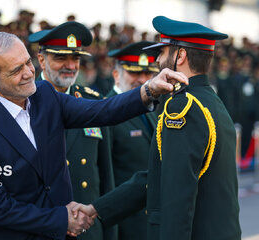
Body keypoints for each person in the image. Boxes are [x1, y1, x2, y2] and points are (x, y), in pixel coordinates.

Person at [0, 31, 188, 240]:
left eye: (28, 63)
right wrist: (61, 219)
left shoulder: (44, 95)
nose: (29, 73)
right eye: (16, 70)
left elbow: (100, 110)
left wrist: (149, 90)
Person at [73, 16, 241, 240]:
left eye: (162, 52)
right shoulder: (210, 102)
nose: (158, 60)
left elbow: (177, 196)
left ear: (180, 55)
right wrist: (97, 209)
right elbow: (157, 176)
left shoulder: (182, 107)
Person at [29, 21, 117, 240]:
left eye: (75, 58)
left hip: (88, 230)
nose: (70, 65)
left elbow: (105, 175)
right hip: (44, 229)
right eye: (60, 58)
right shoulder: (25, 103)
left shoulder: (92, 100)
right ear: (41, 60)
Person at [106, 41, 159, 240]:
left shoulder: (153, 109)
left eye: (147, 73)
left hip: (151, 217)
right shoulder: (106, 113)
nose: (142, 80)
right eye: (134, 73)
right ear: (116, 75)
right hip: (125, 222)